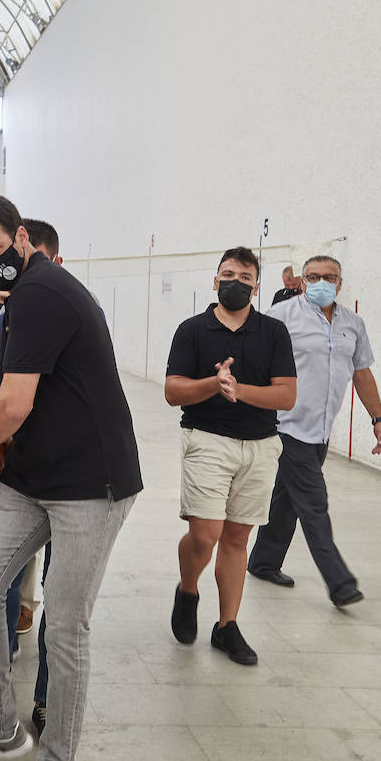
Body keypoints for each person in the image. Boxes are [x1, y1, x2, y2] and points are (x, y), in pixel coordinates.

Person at [0, 195, 141, 761]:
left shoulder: (44, 291)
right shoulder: (21, 296)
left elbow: (13, 402)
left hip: (92, 484)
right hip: (36, 475)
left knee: (66, 625)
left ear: (22, 239)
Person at [165, 246, 297, 666]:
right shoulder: (192, 330)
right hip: (207, 439)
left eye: (244, 277)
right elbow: (173, 391)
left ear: (257, 285)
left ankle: (226, 626)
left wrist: (238, 390)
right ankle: (188, 588)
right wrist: (214, 383)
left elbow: (286, 395)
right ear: (214, 279)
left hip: (260, 445)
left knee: (237, 537)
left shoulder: (273, 333)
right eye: (227, 274)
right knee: (206, 534)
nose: (235, 282)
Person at [249, 255, 381, 607]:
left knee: (285, 500)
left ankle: (264, 561)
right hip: (286, 426)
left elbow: (362, 373)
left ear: (340, 283)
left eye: (329, 277)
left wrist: (378, 419)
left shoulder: (353, 324)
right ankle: (339, 582)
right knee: (313, 503)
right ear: (302, 281)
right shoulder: (280, 317)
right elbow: (253, 361)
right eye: (313, 277)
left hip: (321, 430)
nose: (321, 282)